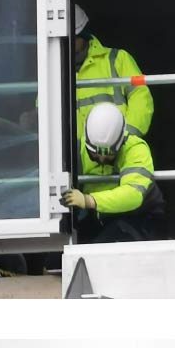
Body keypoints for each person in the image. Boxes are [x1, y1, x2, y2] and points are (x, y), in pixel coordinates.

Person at [60, 100, 161, 243]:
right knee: (56, 258)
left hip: (139, 218)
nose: (101, 158)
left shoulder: (136, 148)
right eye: (94, 152)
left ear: (120, 141)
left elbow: (133, 194)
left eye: (108, 153)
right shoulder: (76, 149)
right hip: (99, 218)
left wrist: (89, 200)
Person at [72, 4, 151, 146]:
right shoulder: (54, 70)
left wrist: (124, 137)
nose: (68, 44)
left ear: (84, 35)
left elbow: (140, 97)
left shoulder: (118, 59)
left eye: (73, 38)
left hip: (116, 153)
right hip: (74, 160)